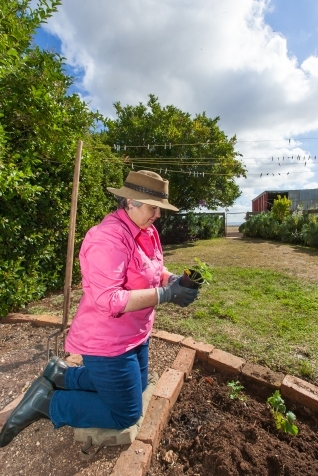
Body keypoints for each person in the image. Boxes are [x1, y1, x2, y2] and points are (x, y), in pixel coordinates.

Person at [0, 170, 198, 447]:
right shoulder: (107, 238)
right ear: (130, 202)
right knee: (126, 413)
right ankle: (48, 401)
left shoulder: (146, 230)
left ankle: (61, 374)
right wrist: (166, 294)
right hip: (108, 340)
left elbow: (153, 268)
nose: (158, 215)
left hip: (135, 333)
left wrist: (171, 280)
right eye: (154, 207)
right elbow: (110, 299)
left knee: (137, 389)